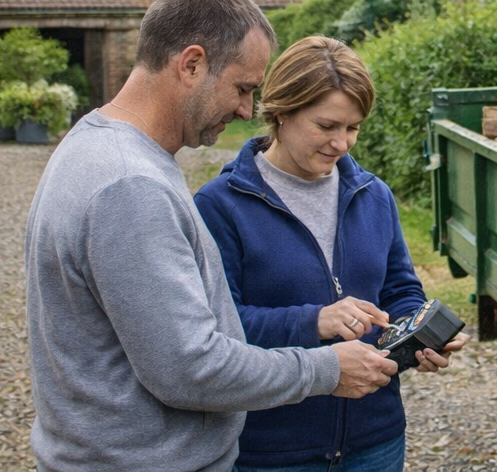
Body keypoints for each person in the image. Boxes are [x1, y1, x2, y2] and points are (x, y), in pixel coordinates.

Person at [24, 0, 400, 472]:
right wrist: (325, 367)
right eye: (242, 88)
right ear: (192, 64)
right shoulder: (130, 186)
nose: (247, 110)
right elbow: (189, 370)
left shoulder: (95, 146)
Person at [194, 35, 467, 471]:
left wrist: (419, 335)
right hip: (271, 452)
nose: (342, 143)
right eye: (327, 126)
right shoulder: (218, 206)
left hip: (375, 443)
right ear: (281, 111)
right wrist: (313, 321)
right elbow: (216, 331)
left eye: (353, 127)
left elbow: (400, 291)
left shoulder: (373, 195)